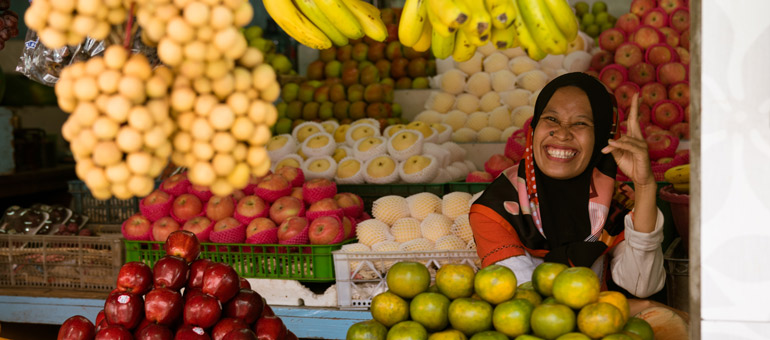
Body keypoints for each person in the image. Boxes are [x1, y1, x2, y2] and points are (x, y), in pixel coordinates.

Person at [469, 72, 665, 300]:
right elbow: (526, 303)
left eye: (580, 123)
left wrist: (645, 185)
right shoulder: (498, 207)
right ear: (533, 129)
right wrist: (635, 310)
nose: (562, 134)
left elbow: (642, 285)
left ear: (601, 137)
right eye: (551, 119)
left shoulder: (614, 203)